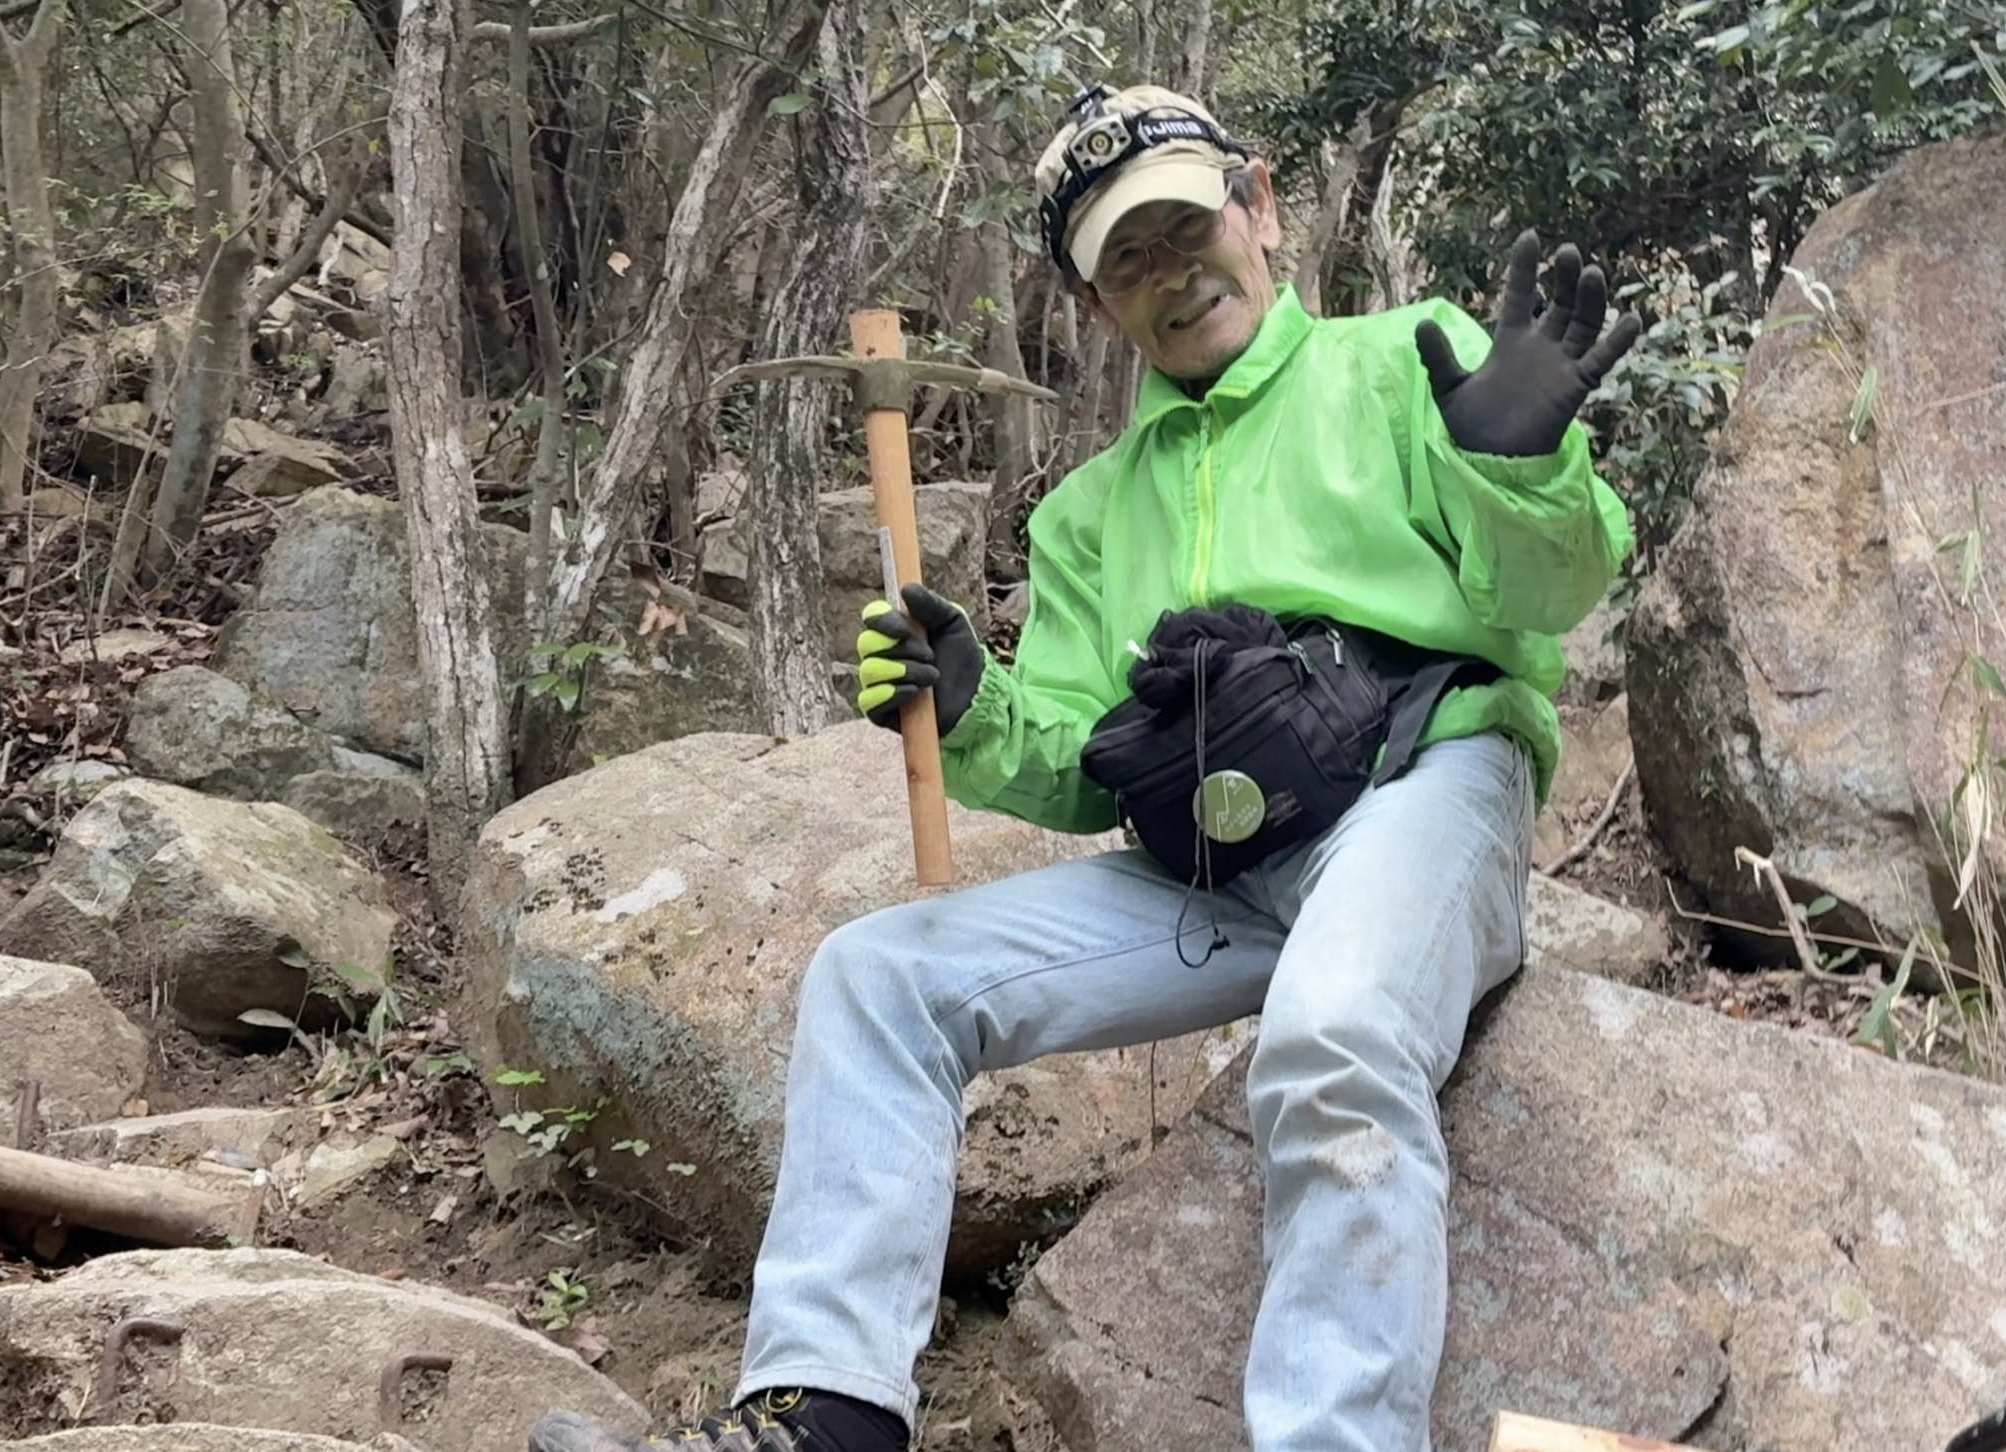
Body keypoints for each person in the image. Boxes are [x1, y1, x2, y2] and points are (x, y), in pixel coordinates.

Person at [531, 81, 1641, 1452]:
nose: (1172, 274)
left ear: (1258, 207)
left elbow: (1553, 595)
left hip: (1419, 795)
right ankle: (828, 1416)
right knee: (878, 977)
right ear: (1094, 304)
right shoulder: (1085, 515)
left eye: (1187, 228)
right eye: (1128, 258)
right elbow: (1082, 766)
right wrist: (972, 706)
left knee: (1336, 1031)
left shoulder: (1406, 364)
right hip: (1216, 872)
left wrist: (1516, 466)